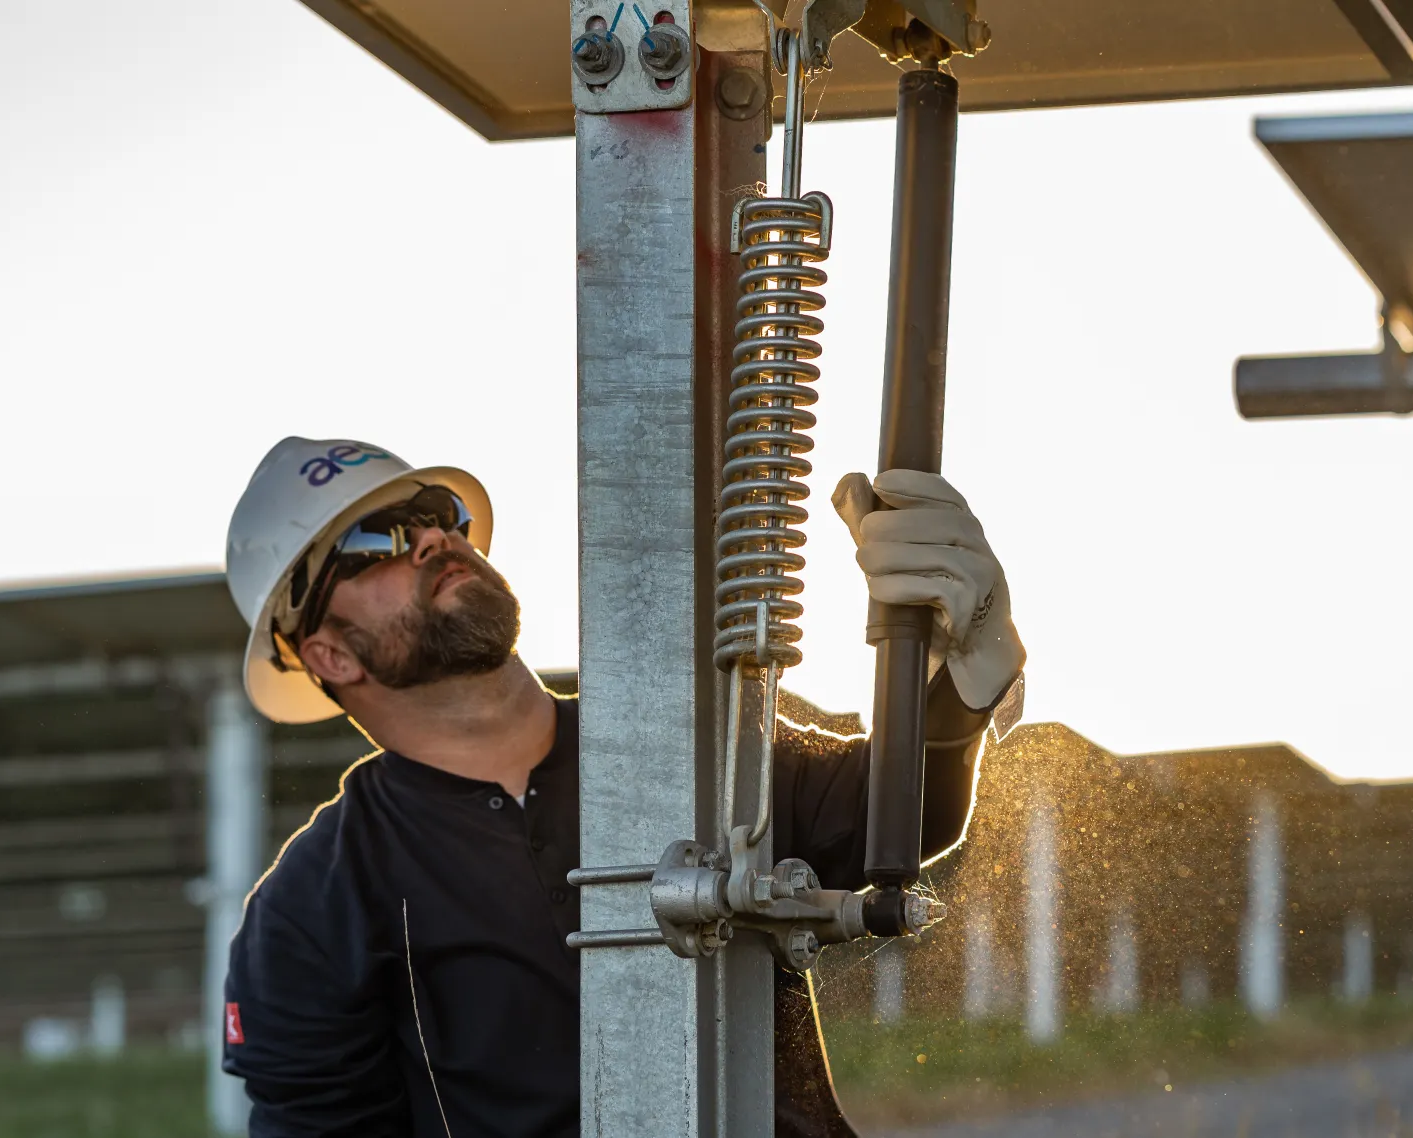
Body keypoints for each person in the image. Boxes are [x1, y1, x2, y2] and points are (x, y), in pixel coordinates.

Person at [219, 437, 1025, 1138]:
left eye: (434, 511)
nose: (431, 535)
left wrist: (956, 676)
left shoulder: (689, 752)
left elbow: (902, 815)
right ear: (329, 656)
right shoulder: (310, 911)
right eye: (375, 542)